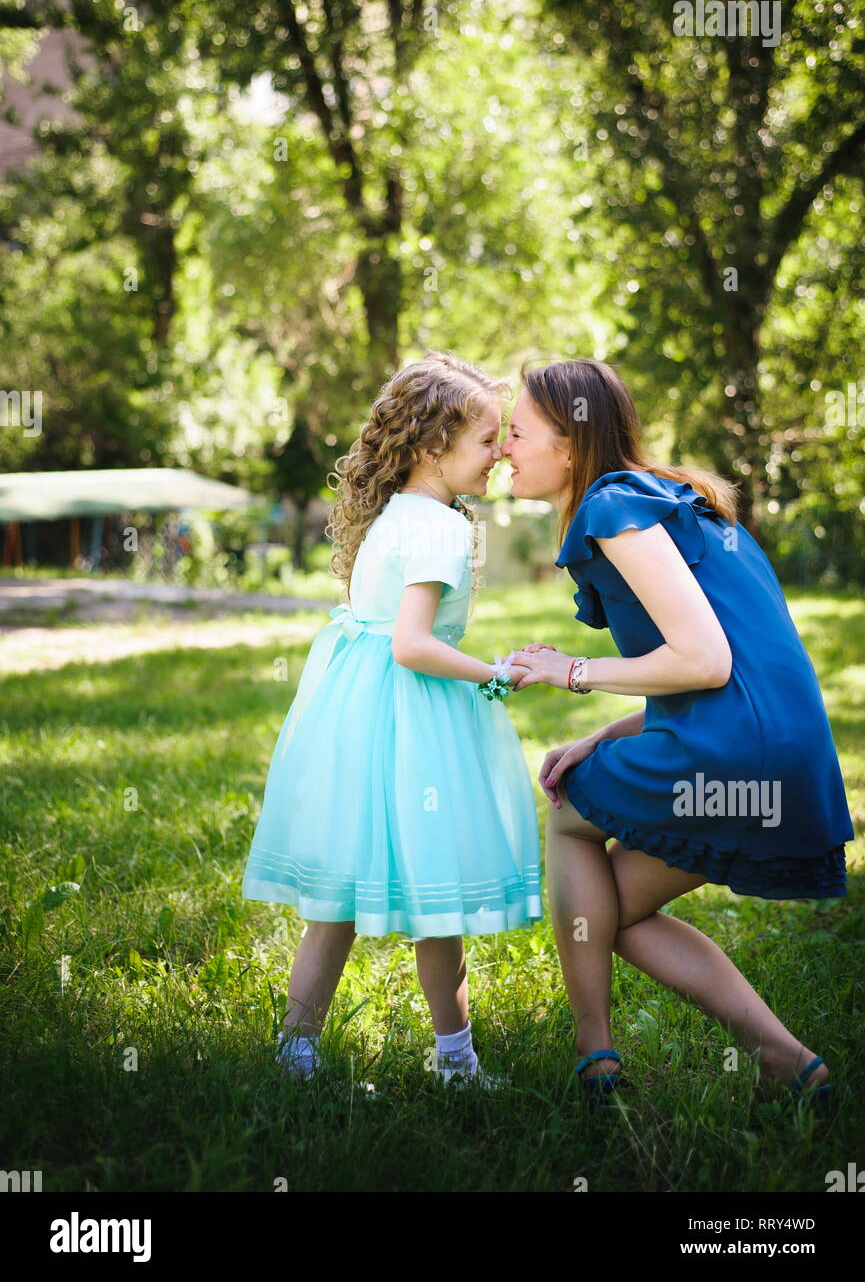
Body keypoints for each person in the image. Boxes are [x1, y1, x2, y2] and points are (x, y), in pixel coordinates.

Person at [503, 357, 853, 1113]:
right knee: (611, 914)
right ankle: (789, 1065)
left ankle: (593, 1056)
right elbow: (719, 673)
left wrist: (570, 671)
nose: (502, 448)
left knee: (567, 822)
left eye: (516, 432)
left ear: (569, 443)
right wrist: (602, 735)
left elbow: (700, 659)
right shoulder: (669, 502)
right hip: (782, 756)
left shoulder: (610, 505)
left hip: (734, 755)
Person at [242, 351, 542, 1090]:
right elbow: (413, 644)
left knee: (336, 896)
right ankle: (455, 1061)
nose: (499, 455)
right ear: (431, 447)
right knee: (437, 897)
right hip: (412, 719)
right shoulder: (438, 527)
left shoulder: (395, 515)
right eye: (485, 440)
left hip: (359, 714)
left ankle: (296, 1050)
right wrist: (495, 673)